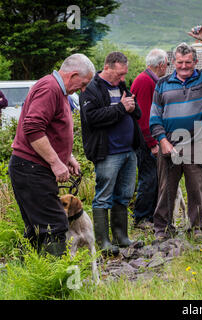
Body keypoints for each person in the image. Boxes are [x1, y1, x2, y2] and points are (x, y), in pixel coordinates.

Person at [8, 53, 95, 256]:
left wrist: (67, 157)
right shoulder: (50, 88)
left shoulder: (59, 91)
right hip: (30, 168)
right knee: (54, 223)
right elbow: (33, 128)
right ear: (73, 75)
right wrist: (56, 162)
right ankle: (54, 283)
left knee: (37, 228)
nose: (83, 90)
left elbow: (51, 130)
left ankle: (30, 275)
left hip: (34, 168)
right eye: (83, 84)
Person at [149, 26, 202, 241]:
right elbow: (154, 116)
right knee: (166, 190)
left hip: (197, 142)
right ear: (173, 62)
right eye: (179, 62)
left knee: (196, 190)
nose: (184, 66)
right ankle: (162, 229)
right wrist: (162, 140)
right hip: (170, 143)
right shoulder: (162, 84)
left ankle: (195, 228)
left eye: (188, 62)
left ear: (195, 62)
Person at [79, 52, 142, 255]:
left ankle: (121, 237)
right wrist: (122, 108)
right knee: (103, 196)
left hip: (128, 150)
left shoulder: (121, 86)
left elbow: (136, 112)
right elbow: (93, 118)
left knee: (123, 195)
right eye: (120, 74)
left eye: (125, 74)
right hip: (108, 152)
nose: (124, 78)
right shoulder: (91, 89)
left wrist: (131, 107)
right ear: (107, 67)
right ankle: (103, 241)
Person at [130, 48, 169, 229]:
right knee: (149, 178)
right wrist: (153, 143)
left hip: (147, 139)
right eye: (167, 64)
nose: (167, 67)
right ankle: (142, 217)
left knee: (154, 178)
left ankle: (152, 216)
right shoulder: (145, 81)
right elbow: (144, 116)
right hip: (145, 141)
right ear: (161, 65)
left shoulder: (148, 79)